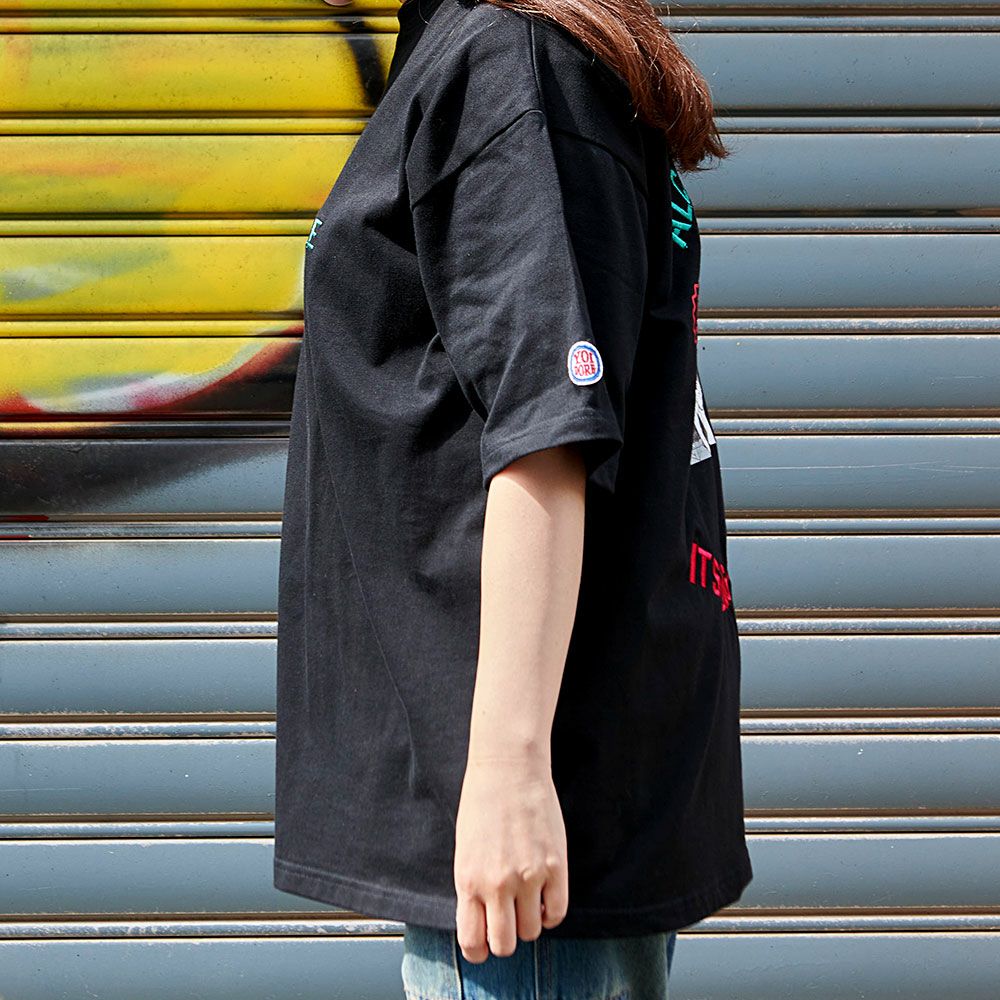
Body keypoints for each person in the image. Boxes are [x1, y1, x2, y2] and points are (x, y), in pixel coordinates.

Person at [273, 0, 753, 996]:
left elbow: (547, 433)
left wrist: (508, 773)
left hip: (530, 842)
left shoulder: (509, 60)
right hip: (539, 812)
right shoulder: (493, 50)